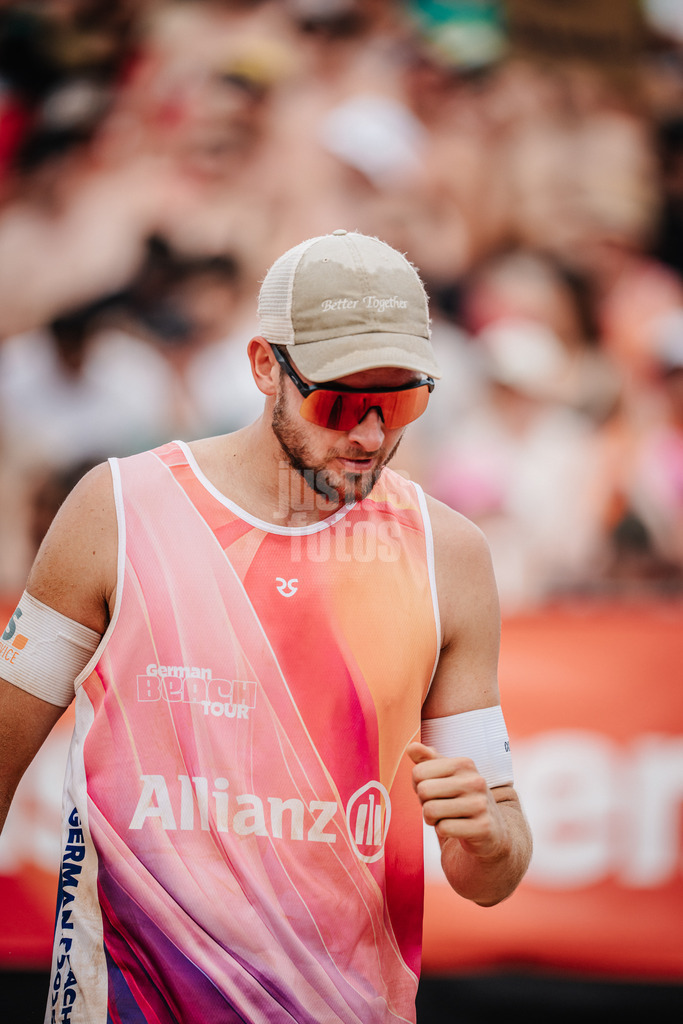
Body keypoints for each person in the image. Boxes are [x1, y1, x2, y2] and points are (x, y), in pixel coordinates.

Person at [0, 230, 532, 1024]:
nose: (370, 434)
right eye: (341, 400)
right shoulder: (116, 510)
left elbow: (491, 869)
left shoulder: (447, 556)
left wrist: (487, 837)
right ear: (262, 367)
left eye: (403, 400)